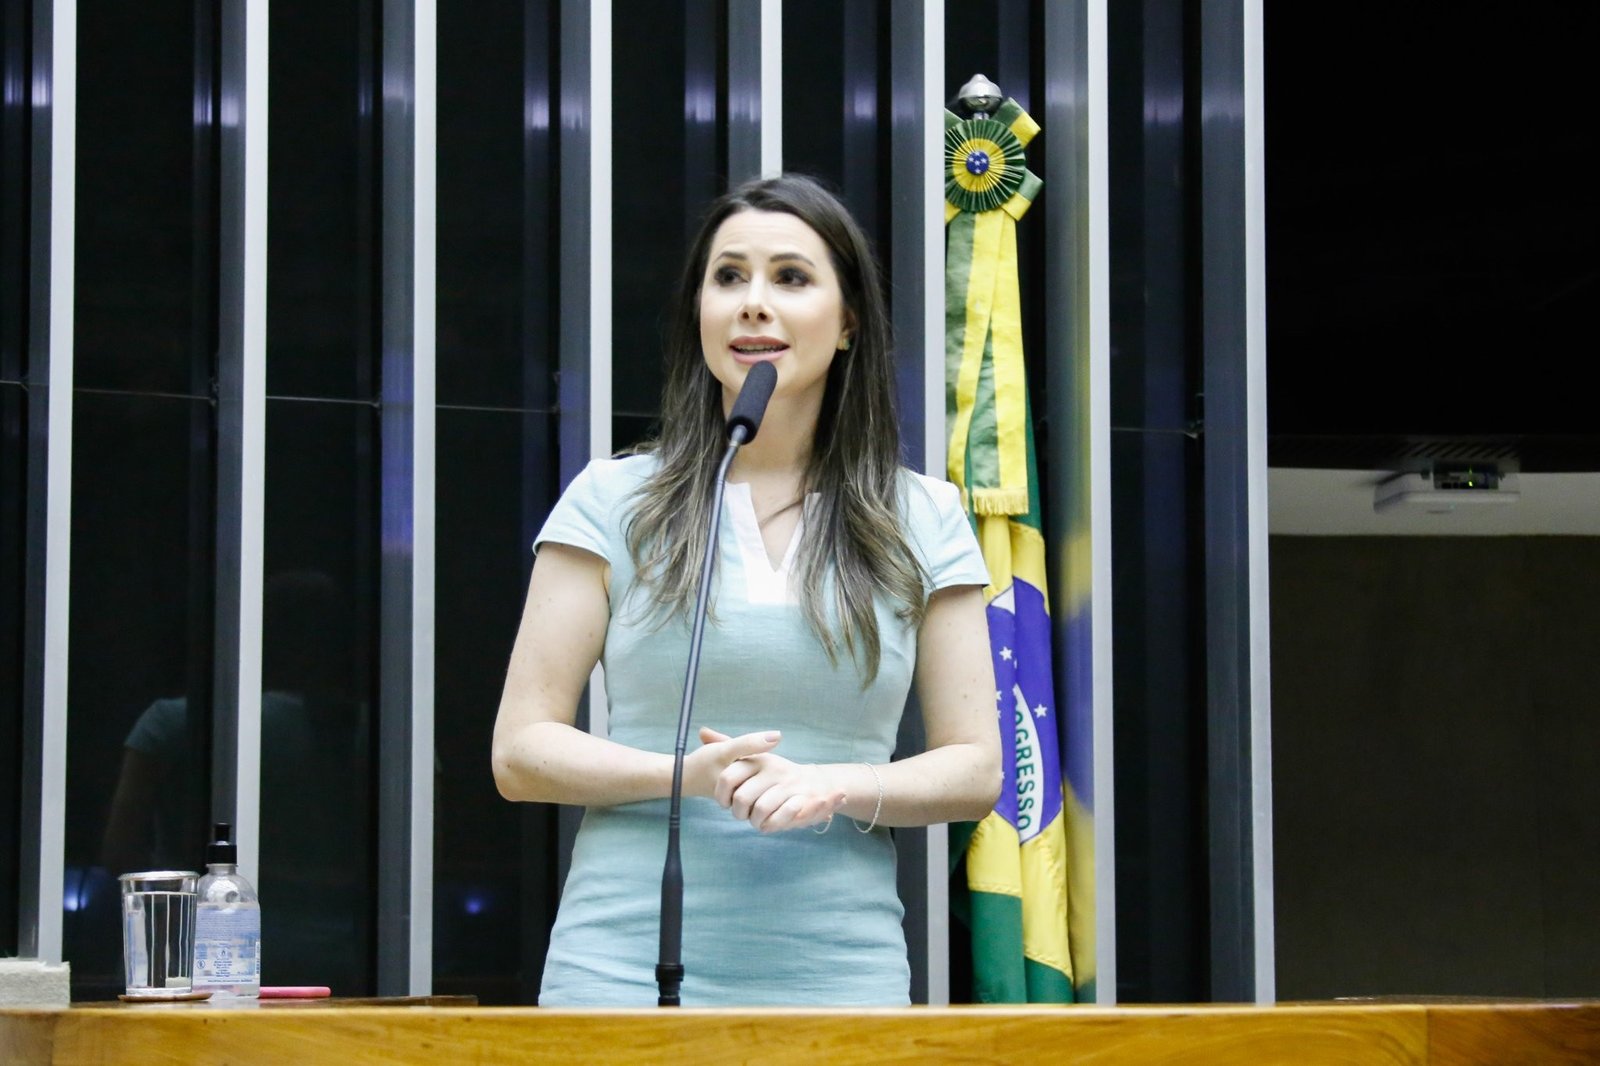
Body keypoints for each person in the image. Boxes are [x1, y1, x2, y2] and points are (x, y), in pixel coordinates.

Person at [491, 173, 1000, 1006]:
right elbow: (519, 752)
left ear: (849, 322)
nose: (753, 303)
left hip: (838, 980)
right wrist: (687, 775)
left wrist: (834, 785)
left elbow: (976, 767)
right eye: (728, 277)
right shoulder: (612, 499)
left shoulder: (924, 515)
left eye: (790, 278)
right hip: (617, 978)